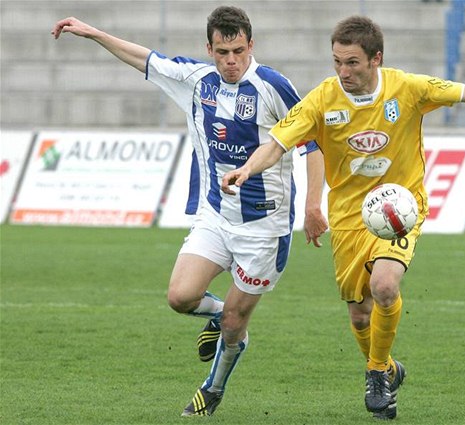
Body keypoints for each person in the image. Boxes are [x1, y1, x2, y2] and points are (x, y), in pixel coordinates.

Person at [221, 15, 465, 420]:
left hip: (399, 207)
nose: (343, 72)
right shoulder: (322, 100)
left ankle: (376, 372)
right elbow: (276, 144)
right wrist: (246, 170)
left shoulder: (408, 88)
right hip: (347, 217)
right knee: (360, 313)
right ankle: (389, 366)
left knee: (385, 285)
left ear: (376, 59)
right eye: (337, 62)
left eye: (353, 63)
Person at [52, 6, 327, 417]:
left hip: (265, 229)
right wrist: (93, 33)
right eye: (222, 52)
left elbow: (313, 142)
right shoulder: (197, 82)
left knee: (237, 323)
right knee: (180, 297)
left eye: (237, 51)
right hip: (215, 217)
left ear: (251, 45)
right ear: (209, 49)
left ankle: (212, 388)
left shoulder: (273, 86)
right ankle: (220, 318)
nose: (230, 61)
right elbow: (143, 58)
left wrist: (312, 206)